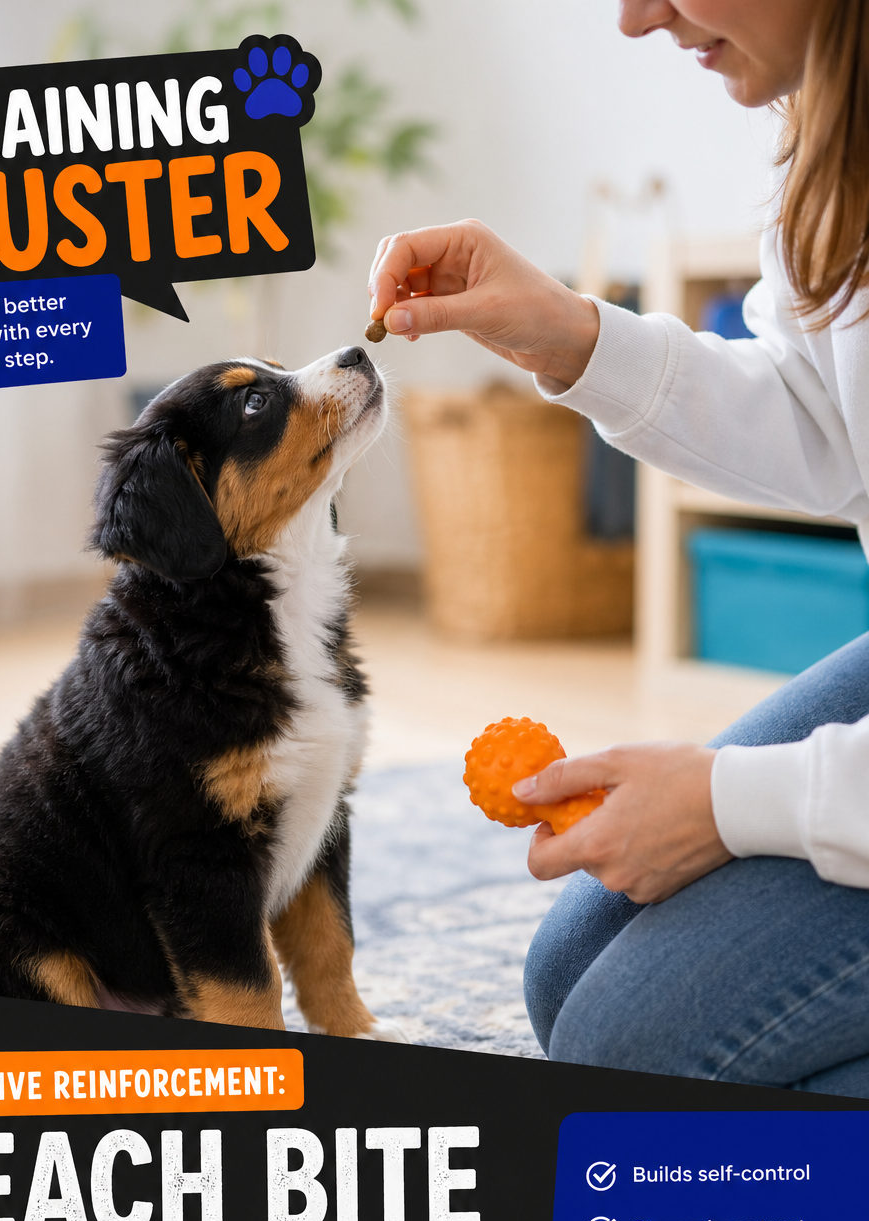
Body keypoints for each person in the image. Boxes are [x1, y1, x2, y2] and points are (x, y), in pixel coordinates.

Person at [367, 0, 869, 1098]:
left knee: (633, 1049)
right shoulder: (832, 145)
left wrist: (733, 801)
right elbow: (830, 422)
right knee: (571, 972)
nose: (637, 18)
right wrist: (571, 335)